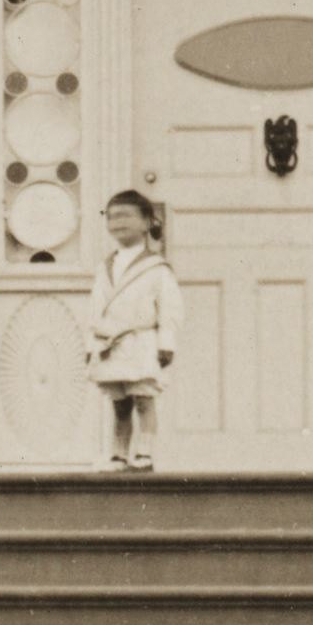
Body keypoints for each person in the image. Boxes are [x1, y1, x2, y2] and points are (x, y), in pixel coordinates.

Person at [85, 189, 182, 472]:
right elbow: (96, 308)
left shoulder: (157, 267)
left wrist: (166, 342)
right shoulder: (105, 267)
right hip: (111, 344)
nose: (118, 222)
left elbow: (170, 308)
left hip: (142, 342)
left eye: (126, 215)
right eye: (112, 217)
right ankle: (118, 454)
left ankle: (144, 453)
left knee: (143, 399)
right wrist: (91, 344)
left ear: (147, 222)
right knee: (120, 403)